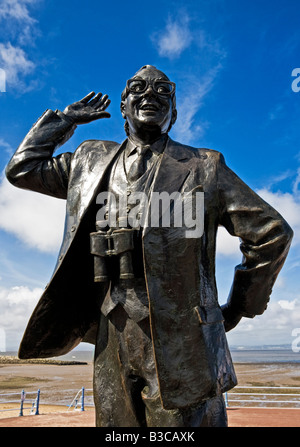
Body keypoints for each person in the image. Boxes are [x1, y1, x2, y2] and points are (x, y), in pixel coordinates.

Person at [6, 65, 293, 427]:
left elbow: (271, 232)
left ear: (175, 112)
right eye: (137, 88)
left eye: (163, 90)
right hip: (111, 333)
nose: (150, 94)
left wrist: (238, 307)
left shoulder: (205, 166)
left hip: (183, 343)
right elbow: (22, 169)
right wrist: (65, 121)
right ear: (124, 107)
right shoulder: (89, 161)